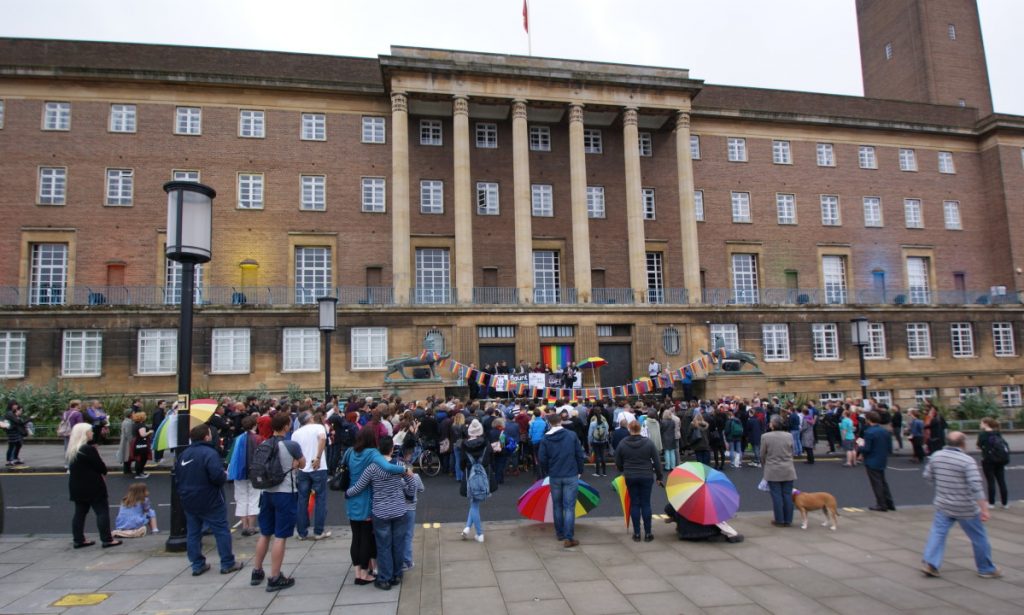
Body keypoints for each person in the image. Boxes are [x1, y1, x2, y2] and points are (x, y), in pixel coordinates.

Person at [921, 431, 1000, 579]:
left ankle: (931, 564)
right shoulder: (967, 460)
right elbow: (976, 486)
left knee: (937, 533)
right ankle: (985, 568)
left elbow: (927, 476)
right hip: (966, 507)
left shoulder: (936, 456)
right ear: (963, 444)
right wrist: (984, 509)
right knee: (978, 537)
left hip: (943, 504)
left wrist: (942, 487)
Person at [346, 436, 419, 590]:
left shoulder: (373, 467)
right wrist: (409, 495)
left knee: (383, 546)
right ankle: (397, 574)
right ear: (392, 449)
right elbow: (413, 483)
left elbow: (359, 486)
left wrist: (348, 493)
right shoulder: (399, 465)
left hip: (380, 511)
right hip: (399, 509)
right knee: (398, 544)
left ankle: (385, 578)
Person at [176, 423, 242, 577]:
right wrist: (224, 475)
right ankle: (227, 563)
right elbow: (217, 477)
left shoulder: (183, 454)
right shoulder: (209, 453)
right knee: (221, 530)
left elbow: (177, 477)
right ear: (206, 436)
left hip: (188, 498)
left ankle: (197, 564)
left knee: (193, 532)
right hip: (210, 498)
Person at [250, 413, 303, 591]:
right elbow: (302, 464)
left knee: (265, 533)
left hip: (266, 492)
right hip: (285, 493)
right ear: (287, 427)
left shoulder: (264, 444)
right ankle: (275, 576)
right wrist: (295, 464)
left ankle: (257, 571)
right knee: (280, 536)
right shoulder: (291, 445)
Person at [66, 423, 121, 549]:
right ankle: (107, 539)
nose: (92, 433)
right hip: (93, 486)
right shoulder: (88, 449)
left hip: (76, 486)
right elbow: (101, 467)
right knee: (102, 512)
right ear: (84, 434)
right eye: (90, 431)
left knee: (79, 513)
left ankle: (78, 540)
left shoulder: (73, 449)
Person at [538, 412, 586, 548]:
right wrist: (580, 470)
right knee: (569, 507)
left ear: (549, 423)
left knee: (557, 505)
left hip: (555, 475)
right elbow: (579, 454)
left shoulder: (545, 439)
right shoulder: (571, 435)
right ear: (560, 422)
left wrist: (548, 470)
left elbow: (542, 459)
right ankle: (569, 537)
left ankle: (559, 533)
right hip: (571, 473)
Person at [614, 420, 664, 542]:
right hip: (646, 475)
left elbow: (618, 461)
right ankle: (648, 533)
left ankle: (636, 533)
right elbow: (657, 462)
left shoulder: (623, 443)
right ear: (640, 429)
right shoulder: (648, 443)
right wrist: (659, 477)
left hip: (630, 476)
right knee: (646, 503)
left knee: (635, 504)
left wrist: (622, 470)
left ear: (629, 429)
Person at [291, 411, 331, 541]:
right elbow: (323, 439)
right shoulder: (319, 427)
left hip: (303, 469)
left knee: (302, 500)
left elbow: (295, 452)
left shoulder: (296, 433)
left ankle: (302, 532)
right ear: (311, 418)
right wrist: (318, 457)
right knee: (320, 499)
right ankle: (318, 531)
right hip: (318, 467)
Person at [227, 415, 262, 536]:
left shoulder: (237, 439)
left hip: (238, 473)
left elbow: (230, 457)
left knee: (241, 498)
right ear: (255, 425)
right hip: (254, 473)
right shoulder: (258, 439)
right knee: (254, 498)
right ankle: (252, 526)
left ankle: (244, 526)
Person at [460, 419, 494, 543]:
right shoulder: (486, 443)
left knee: (474, 503)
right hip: (483, 474)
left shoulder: (464, 445)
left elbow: (462, 463)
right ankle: (473, 531)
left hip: (470, 475)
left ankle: (476, 532)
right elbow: (490, 459)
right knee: (475, 504)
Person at [760, 415, 796, 527]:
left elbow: (762, 454)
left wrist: (765, 465)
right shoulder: (789, 435)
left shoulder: (765, 436)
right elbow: (792, 451)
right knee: (787, 495)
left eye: (770, 422)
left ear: (773, 424)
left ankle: (779, 520)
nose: (769, 424)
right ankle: (788, 520)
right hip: (788, 468)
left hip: (773, 469)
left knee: (776, 496)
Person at [857, 411, 895, 512]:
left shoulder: (869, 432)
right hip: (882, 459)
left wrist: (860, 445)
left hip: (872, 460)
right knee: (883, 482)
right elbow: (890, 448)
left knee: (876, 483)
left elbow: (866, 449)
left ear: (869, 420)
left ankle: (881, 505)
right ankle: (889, 503)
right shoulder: (885, 431)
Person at [977, 417, 1009, 509]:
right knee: (1001, 481)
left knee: (991, 482)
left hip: (988, 460)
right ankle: (1005, 503)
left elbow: (979, 445)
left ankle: (991, 503)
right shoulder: (997, 433)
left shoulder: (983, 434)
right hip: (1000, 459)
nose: (980, 424)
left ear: (986, 424)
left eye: (981, 423)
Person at [4, 401, 30, 467]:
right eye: (15, 405)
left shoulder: (11, 413)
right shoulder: (9, 413)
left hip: (15, 431)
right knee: (11, 446)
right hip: (11, 432)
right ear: (12, 405)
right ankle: (9, 461)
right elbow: (18, 422)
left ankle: (15, 459)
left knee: (18, 444)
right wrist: (29, 419)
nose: (16, 406)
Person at [588, 408, 611, 476]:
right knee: (603, 456)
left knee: (597, 456)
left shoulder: (592, 423)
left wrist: (590, 441)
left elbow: (590, 434)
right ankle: (604, 472)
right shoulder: (605, 422)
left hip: (595, 441)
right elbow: (607, 432)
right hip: (603, 441)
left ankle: (597, 472)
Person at [129, 411, 151, 479]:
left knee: (138, 458)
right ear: (142, 417)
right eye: (145, 416)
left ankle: (140, 472)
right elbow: (143, 435)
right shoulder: (141, 425)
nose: (146, 417)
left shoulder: (135, 424)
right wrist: (150, 432)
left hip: (136, 443)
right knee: (142, 458)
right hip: (141, 443)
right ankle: (139, 474)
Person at [117, 409, 134, 475]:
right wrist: (132, 442)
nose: (134, 414)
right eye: (133, 413)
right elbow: (128, 434)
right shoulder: (128, 422)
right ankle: (127, 470)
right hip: (127, 442)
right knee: (127, 456)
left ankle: (127, 470)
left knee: (127, 455)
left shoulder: (127, 421)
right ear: (130, 414)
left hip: (125, 441)